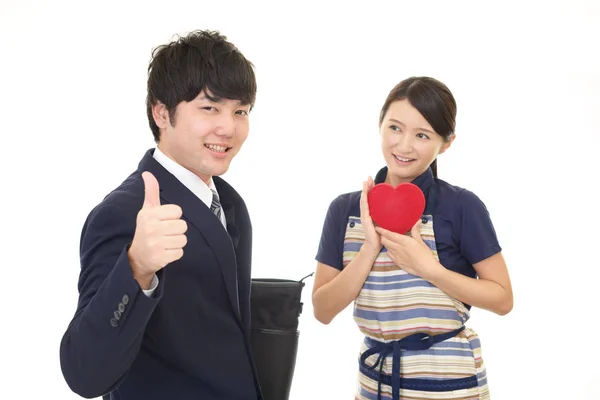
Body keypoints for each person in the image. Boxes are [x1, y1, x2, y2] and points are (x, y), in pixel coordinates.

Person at [59, 30, 263, 400]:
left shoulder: (230, 204)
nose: (229, 127)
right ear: (162, 113)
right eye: (209, 108)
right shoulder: (123, 213)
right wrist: (136, 267)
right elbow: (84, 373)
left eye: (241, 111)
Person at [312, 76, 513, 400]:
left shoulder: (461, 206)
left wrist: (428, 268)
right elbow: (322, 310)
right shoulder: (346, 209)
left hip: (451, 385)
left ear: (446, 143)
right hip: (375, 383)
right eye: (395, 128)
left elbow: (503, 299)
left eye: (422, 135)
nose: (404, 146)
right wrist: (369, 249)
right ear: (380, 125)